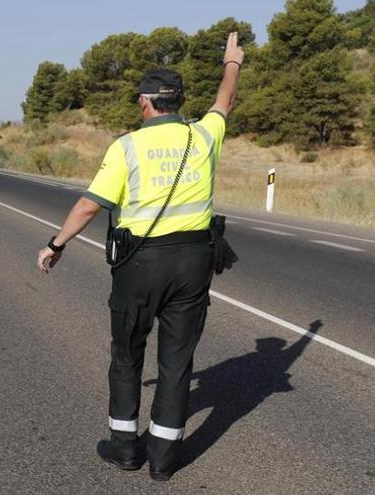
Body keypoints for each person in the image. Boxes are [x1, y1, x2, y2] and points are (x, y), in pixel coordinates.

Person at [36, 32, 244, 481]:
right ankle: (165, 461)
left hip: (140, 264)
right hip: (193, 262)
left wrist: (56, 244)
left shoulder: (127, 146)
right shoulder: (204, 136)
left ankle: (126, 448)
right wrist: (233, 63)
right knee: (176, 361)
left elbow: (91, 205)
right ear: (179, 102)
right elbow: (224, 102)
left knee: (127, 353)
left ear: (145, 103)